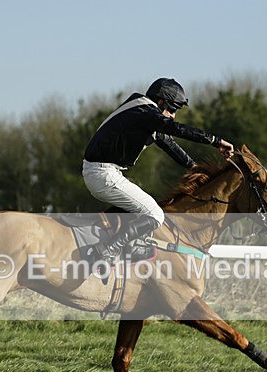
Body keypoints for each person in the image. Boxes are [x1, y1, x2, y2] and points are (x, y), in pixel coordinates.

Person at [82, 78, 234, 269]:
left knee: (142, 207)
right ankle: (107, 251)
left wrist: (194, 167)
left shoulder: (140, 110)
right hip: (103, 174)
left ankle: (102, 236)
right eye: (172, 109)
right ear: (161, 102)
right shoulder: (145, 112)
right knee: (155, 215)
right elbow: (176, 129)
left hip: (102, 173)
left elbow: (168, 143)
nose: (173, 116)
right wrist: (216, 141)